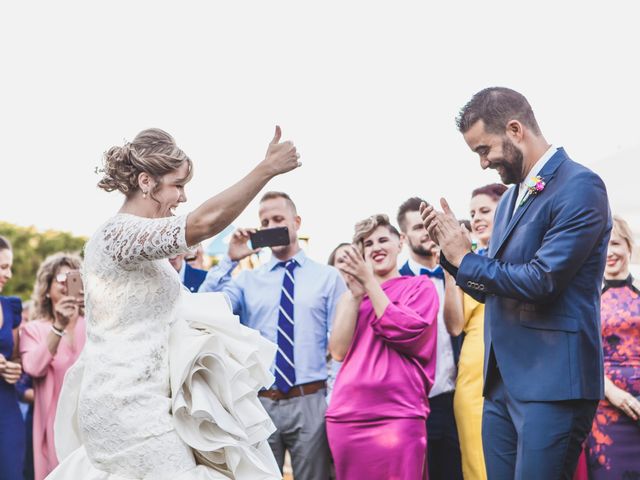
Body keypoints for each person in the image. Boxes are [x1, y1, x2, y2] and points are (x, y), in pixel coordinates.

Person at [47, 126, 300, 480]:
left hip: (148, 400)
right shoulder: (117, 235)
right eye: (178, 185)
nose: (182, 197)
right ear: (147, 181)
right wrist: (266, 168)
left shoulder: (137, 242)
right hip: (128, 406)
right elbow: (203, 223)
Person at [421, 87, 611, 479]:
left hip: (554, 385)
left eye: (484, 149)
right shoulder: (508, 201)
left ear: (514, 129)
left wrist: (466, 258)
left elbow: (543, 281)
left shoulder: (580, 186)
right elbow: (492, 288)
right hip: (500, 385)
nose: (483, 162)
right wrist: (453, 258)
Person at [199, 191, 346, 480]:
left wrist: (331, 399)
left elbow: (341, 342)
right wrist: (230, 260)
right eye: (264, 222)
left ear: (296, 222)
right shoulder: (248, 280)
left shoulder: (327, 277)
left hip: (311, 401)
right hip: (260, 404)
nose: (270, 226)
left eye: (278, 219)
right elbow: (206, 305)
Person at [326, 214, 439, 479]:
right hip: (347, 416)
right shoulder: (351, 295)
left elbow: (406, 332)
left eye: (382, 240)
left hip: (399, 413)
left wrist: (370, 285)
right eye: (368, 243)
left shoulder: (420, 286)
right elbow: (338, 351)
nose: (376, 248)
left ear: (400, 242)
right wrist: (356, 295)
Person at [442, 183, 507, 480]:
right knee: (477, 466)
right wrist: (451, 266)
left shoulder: (521, 256)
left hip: (516, 373)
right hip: (473, 381)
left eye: (485, 210)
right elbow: (454, 325)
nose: (477, 218)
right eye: (472, 213)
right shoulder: (468, 262)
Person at [397, 197, 463, 480]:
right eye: (417, 227)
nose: (425, 232)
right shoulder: (395, 283)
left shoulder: (464, 273)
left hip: (460, 397)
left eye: (429, 225)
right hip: (419, 402)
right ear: (403, 237)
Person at [19, 253, 86, 480]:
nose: (67, 285)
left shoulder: (95, 325)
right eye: (60, 279)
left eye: (72, 278)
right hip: (52, 427)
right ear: (47, 290)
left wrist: (98, 311)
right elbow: (33, 367)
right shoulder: (34, 329)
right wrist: (58, 326)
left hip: (90, 420)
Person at [587, 215, 640, 479]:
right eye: (603, 244)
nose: (610, 252)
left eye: (616, 243)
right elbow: (584, 356)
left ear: (629, 247)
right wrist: (613, 394)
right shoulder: (588, 300)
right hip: (606, 410)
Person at [0, 235, 25, 480]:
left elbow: (16, 358)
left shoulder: (10, 308)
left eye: (9, 267)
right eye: (3, 267)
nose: (8, 274)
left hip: (5, 410)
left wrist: (13, 369)